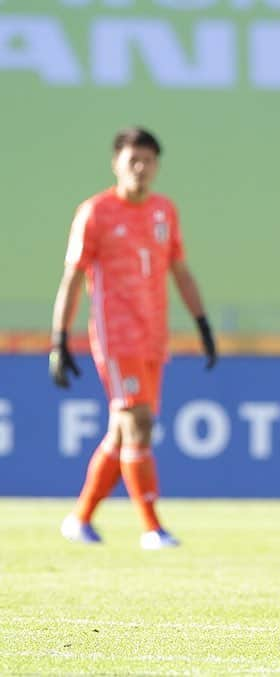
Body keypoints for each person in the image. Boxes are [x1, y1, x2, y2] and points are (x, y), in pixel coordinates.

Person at [49, 127, 217, 550]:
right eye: (132, 161)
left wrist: (202, 324)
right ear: (116, 164)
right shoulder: (96, 212)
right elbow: (73, 277)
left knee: (123, 431)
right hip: (115, 335)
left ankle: (80, 518)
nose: (140, 168)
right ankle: (152, 528)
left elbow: (179, 269)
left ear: (157, 165)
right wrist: (59, 338)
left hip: (153, 335)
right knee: (138, 423)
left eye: (148, 161)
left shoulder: (164, 211)